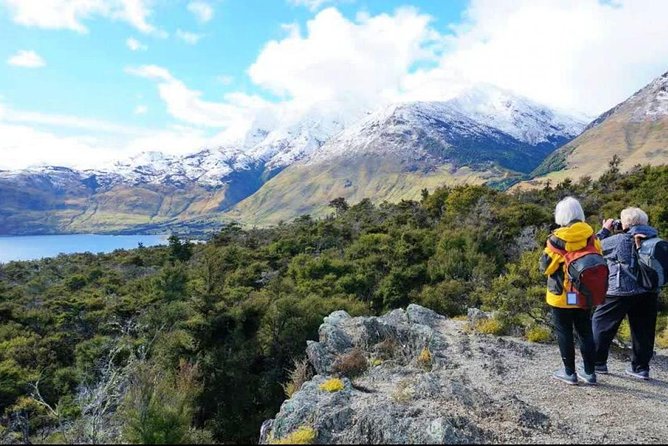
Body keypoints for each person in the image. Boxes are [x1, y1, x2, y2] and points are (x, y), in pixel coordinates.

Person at [592, 207, 659, 380]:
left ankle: (597, 363)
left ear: (624, 223)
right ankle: (641, 368)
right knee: (643, 331)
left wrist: (605, 229)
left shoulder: (619, 240)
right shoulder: (655, 238)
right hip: (649, 291)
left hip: (620, 290)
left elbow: (594, 247)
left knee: (601, 324)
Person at [540, 197, 600, 385]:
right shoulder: (591, 236)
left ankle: (569, 373)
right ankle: (590, 373)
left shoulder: (556, 240)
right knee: (585, 330)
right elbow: (598, 256)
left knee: (564, 331)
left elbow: (546, 268)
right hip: (583, 293)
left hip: (561, 294)